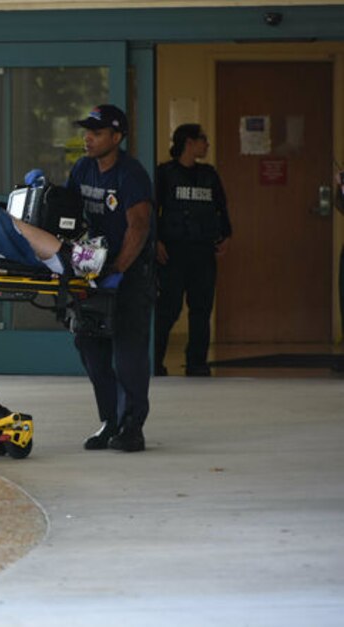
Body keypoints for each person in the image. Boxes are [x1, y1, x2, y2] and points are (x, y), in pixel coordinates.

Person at [66, 104, 154, 453]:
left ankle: (133, 426)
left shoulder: (130, 174)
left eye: (97, 132)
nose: (88, 138)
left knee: (128, 354)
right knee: (91, 349)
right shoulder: (83, 168)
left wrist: (118, 268)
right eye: (86, 131)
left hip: (129, 275)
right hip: (93, 271)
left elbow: (139, 226)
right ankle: (110, 421)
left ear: (117, 137)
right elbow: (70, 213)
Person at [153, 124, 232, 377]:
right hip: (173, 252)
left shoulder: (208, 174)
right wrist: (155, 241)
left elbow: (221, 207)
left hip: (202, 251)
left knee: (201, 309)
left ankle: (197, 363)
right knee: (168, 308)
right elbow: (152, 211)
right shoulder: (165, 174)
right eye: (203, 140)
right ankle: (154, 361)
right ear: (189, 142)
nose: (206, 145)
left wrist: (226, 235)